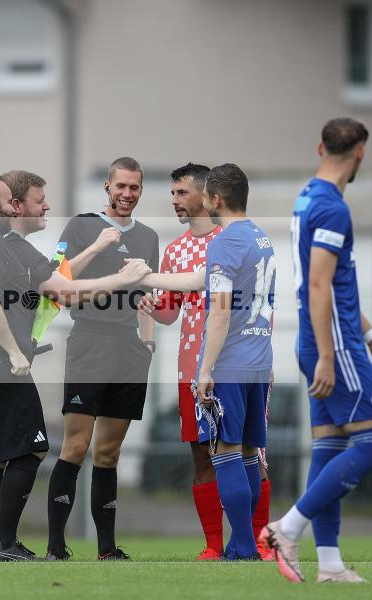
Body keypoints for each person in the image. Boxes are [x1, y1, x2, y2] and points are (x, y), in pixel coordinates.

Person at [0, 172, 152, 561]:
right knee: (32, 448)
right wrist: (123, 279)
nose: (46, 207)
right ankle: (1, 543)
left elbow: (52, 282)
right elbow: (55, 293)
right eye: (37, 200)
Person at [260, 118, 372, 583]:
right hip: (332, 344)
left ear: (320, 146)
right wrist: (329, 353)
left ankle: (330, 565)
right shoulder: (333, 209)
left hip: (327, 338)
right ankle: (287, 527)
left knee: (330, 446)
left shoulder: (309, 197)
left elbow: (332, 284)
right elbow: (319, 284)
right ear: (360, 153)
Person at [137, 163, 273, 561]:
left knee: (242, 453)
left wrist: (145, 278)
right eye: (173, 194)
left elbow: (217, 302)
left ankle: (252, 543)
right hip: (200, 365)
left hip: (221, 362)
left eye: (182, 193)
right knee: (208, 455)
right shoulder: (180, 248)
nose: (175, 201)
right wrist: (151, 303)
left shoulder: (225, 239)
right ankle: (217, 544)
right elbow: (170, 311)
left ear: (209, 196)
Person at [46, 157, 160, 561]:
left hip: (129, 349)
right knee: (75, 446)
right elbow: (57, 283)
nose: (127, 194)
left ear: (141, 190)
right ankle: (56, 546)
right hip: (89, 342)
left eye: (135, 187)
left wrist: (147, 342)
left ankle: (107, 550)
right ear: (107, 188)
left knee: (108, 453)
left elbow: (149, 296)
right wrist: (98, 245)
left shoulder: (148, 236)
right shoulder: (80, 226)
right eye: (121, 186)